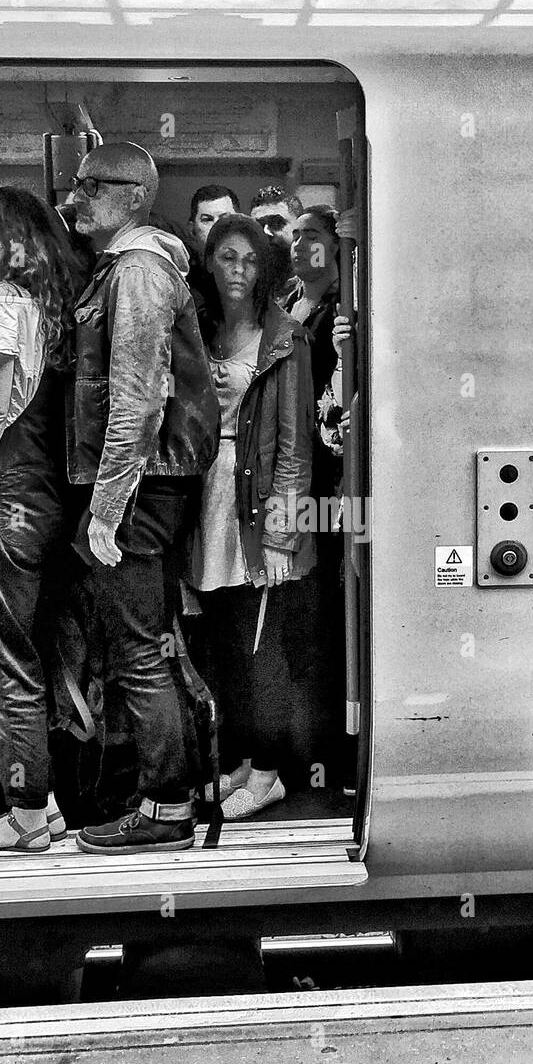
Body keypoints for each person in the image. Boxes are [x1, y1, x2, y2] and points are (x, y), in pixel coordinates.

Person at [66, 142, 219, 853]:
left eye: (91, 185)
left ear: (132, 196)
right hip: (147, 478)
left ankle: (165, 808)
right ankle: (161, 796)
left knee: (136, 649)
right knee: (140, 642)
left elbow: (137, 398)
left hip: (141, 481)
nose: (77, 196)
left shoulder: (139, 270)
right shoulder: (129, 265)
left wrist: (106, 507)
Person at [0, 187, 77, 852]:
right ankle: (45, 804)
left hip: (0, 491)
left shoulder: (0, 299)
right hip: (46, 493)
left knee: (2, 664)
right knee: (27, 653)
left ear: (14, 241)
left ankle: (25, 817)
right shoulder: (49, 300)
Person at [189, 213, 317, 821]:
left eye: (250, 260)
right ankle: (244, 759)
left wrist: (281, 536)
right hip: (208, 499)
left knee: (262, 647)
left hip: (258, 506)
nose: (238, 270)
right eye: (227, 258)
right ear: (209, 263)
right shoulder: (200, 327)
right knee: (228, 646)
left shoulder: (287, 337)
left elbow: (295, 445)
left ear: (265, 269)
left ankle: (268, 775)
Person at [282, 206, 349, 788]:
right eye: (296, 235)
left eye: (313, 236)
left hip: (325, 477)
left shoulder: (343, 313)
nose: (300, 244)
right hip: (286, 469)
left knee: (324, 607)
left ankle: (332, 754)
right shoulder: (287, 302)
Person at [185, 183, 240, 322]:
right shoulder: (181, 282)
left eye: (225, 218)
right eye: (207, 220)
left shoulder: (256, 274)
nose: (217, 226)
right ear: (192, 230)